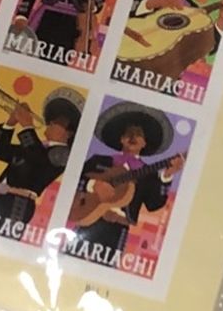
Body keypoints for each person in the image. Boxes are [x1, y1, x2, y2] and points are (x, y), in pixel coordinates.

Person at [66, 103, 183, 262]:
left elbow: (154, 204)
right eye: (129, 134)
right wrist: (93, 184)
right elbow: (75, 179)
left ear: (144, 143)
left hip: (117, 227)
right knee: (70, 257)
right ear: (121, 139)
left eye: (138, 134)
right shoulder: (99, 161)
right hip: (88, 217)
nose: (133, 137)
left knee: (106, 266)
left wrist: (167, 176)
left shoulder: (149, 175)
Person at [0, 88, 81, 232]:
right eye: (52, 119)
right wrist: (10, 123)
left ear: (69, 133)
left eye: (58, 122)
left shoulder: (63, 154)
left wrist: (27, 125)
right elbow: (0, 152)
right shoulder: (35, 146)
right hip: (1, 197)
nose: (51, 122)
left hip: (19, 203)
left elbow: (37, 159)